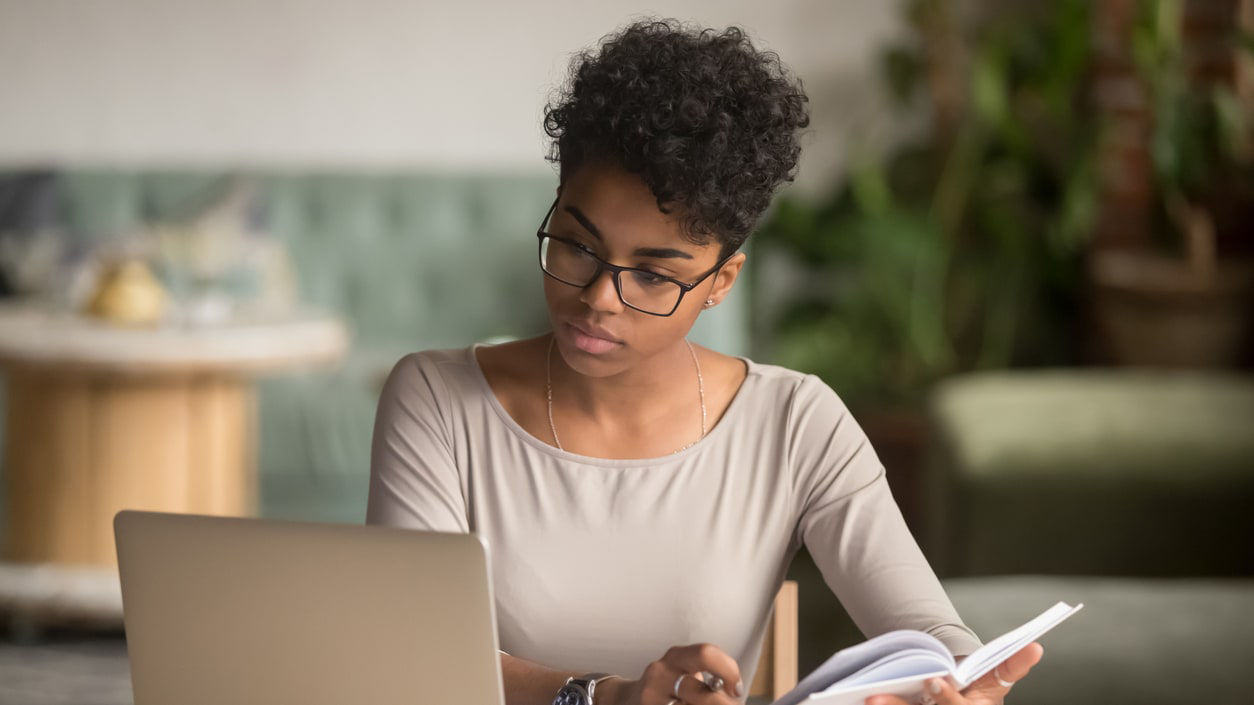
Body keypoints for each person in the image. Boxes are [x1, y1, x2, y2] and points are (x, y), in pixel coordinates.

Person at [366, 19, 1042, 705]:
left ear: (721, 281)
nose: (600, 298)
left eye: (655, 276)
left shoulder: (795, 422)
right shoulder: (437, 399)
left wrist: (960, 684)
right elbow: (411, 655)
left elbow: (928, 630)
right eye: (576, 246)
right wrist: (609, 698)